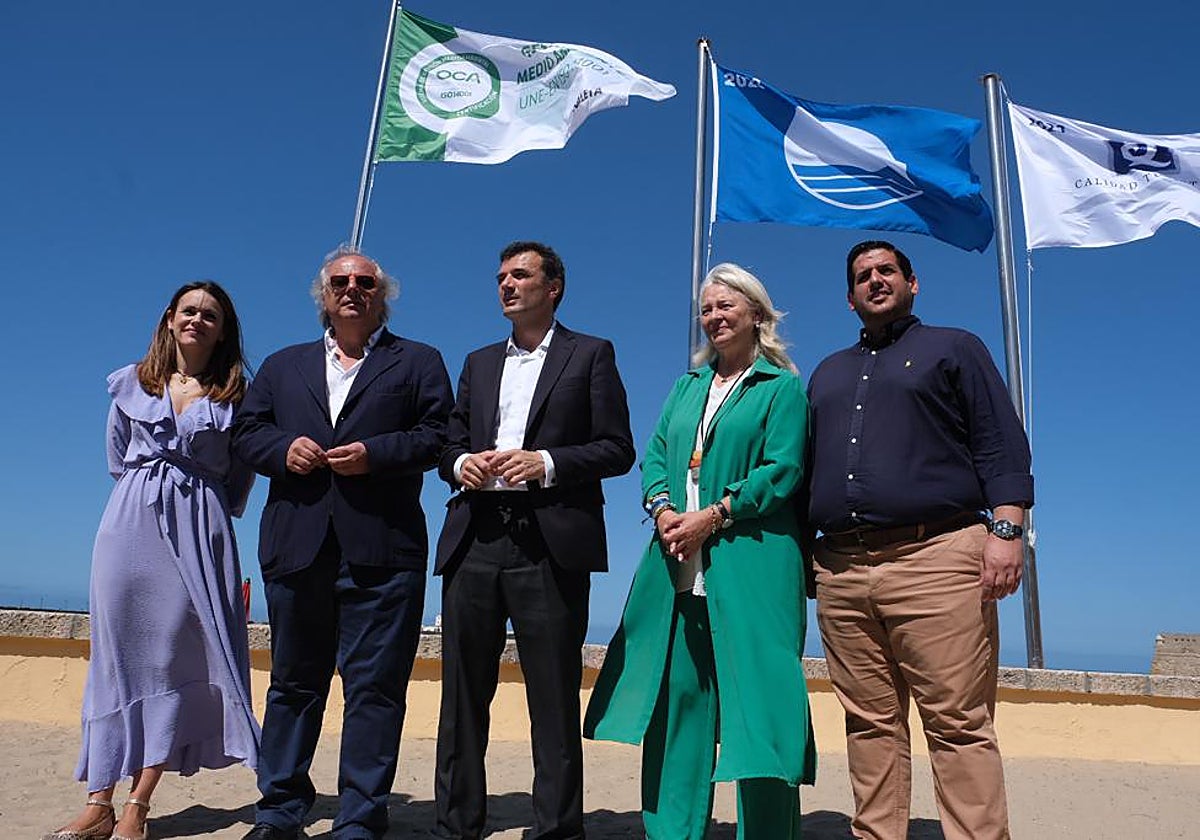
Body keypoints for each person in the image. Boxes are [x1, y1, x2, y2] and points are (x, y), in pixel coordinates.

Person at [804, 240, 1034, 840]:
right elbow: (806, 468)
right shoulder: (826, 373)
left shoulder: (955, 348)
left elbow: (999, 443)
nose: (875, 281)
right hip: (842, 567)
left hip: (939, 557)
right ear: (848, 296)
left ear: (913, 282)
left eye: (887, 271)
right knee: (867, 723)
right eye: (862, 275)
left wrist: (1008, 530)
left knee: (957, 723)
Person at [585, 263, 816, 840]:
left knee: (760, 711)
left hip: (754, 564)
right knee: (677, 707)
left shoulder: (781, 388)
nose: (713, 317)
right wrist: (665, 511)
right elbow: (657, 456)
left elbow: (782, 470)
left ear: (757, 316)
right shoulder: (686, 387)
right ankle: (671, 831)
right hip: (677, 567)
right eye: (707, 308)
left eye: (725, 306)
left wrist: (713, 517)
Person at [232, 246, 453, 840]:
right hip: (297, 548)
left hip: (384, 553)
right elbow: (247, 434)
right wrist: (283, 451)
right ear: (322, 296)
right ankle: (279, 812)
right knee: (292, 686)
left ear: (384, 296)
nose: (352, 289)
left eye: (365, 282)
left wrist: (376, 455)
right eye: (340, 282)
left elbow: (439, 435)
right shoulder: (282, 366)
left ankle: (360, 816)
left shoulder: (420, 361)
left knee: (375, 692)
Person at [433, 241, 635, 840]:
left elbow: (617, 448)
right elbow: (446, 444)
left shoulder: (592, 354)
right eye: (500, 276)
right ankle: (455, 825)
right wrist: (461, 463)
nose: (506, 284)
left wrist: (544, 462)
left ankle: (554, 830)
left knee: (552, 699)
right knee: (462, 699)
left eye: (520, 275)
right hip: (475, 538)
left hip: (549, 544)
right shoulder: (476, 362)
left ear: (554, 288)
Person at [44, 282, 260, 840]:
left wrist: (199, 502)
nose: (197, 320)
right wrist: (149, 494)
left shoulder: (238, 394)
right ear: (169, 320)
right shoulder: (130, 383)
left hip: (199, 528)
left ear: (223, 329)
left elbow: (240, 479)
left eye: (210, 315)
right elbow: (118, 459)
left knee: (169, 657)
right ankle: (99, 802)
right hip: (129, 524)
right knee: (115, 660)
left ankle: (138, 802)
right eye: (189, 311)